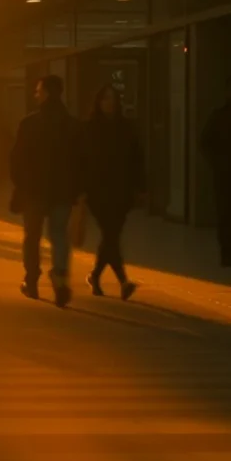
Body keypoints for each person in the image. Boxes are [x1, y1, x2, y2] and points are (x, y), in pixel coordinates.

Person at [10, 75, 79, 308]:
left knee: (32, 237)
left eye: (38, 91)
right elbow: (79, 160)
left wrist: (19, 184)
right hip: (62, 191)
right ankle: (60, 279)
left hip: (34, 191)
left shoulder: (29, 124)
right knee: (59, 235)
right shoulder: (71, 125)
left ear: (48, 93)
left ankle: (31, 281)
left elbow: (17, 159)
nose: (35, 94)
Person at [80, 84, 143, 300]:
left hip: (121, 190)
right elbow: (81, 161)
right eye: (105, 98)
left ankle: (96, 276)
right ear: (98, 102)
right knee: (110, 233)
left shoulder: (126, 128)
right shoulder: (89, 128)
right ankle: (123, 281)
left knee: (111, 235)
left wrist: (139, 186)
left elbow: (136, 160)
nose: (109, 102)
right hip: (97, 191)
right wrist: (81, 189)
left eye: (112, 98)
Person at [201, 74, 231, 266]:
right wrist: (216, 163)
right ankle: (227, 251)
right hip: (224, 175)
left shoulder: (221, 116)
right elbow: (205, 142)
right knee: (225, 215)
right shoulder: (218, 116)